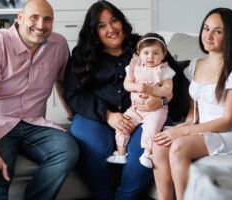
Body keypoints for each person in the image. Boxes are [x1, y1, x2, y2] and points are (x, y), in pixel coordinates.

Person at [0, 0, 79, 199]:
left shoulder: (58, 44)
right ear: (20, 17)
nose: (41, 25)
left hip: (32, 121)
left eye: (47, 19)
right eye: (34, 17)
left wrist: (72, 115)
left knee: (67, 151)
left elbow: (62, 81)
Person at [63, 1, 175, 199]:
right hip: (97, 114)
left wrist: (162, 101)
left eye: (114, 20)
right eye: (102, 25)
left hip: (149, 113)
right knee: (92, 145)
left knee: (143, 151)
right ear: (94, 31)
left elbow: (178, 86)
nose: (111, 29)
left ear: (122, 21)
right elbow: (74, 94)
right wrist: (107, 116)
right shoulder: (83, 55)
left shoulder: (147, 46)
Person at [152, 7, 232, 200]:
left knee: (179, 146)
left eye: (218, 31)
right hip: (203, 128)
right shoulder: (196, 65)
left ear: (230, 36)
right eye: (206, 28)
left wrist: (182, 132)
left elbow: (227, 121)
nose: (208, 36)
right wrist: (184, 125)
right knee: (159, 143)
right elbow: (194, 112)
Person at [106, 33, 175, 169]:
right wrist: (136, 86)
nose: (150, 57)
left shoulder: (164, 70)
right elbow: (127, 84)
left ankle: (147, 154)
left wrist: (152, 90)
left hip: (157, 110)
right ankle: (121, 154)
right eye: (146, 52)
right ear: (139, 53)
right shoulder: (133, 68)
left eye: (156, 53)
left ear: (164, 54)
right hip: (135, 109)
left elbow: (167, 89)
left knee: (151, 128)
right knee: (123, 125)